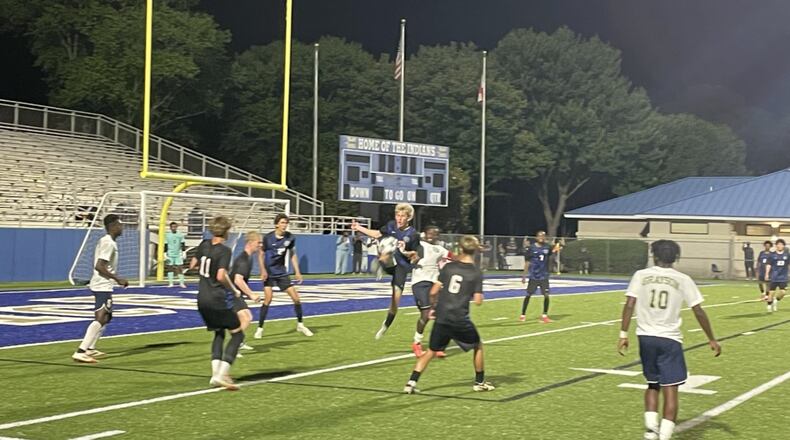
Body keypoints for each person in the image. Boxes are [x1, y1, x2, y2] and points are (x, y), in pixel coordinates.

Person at [618, 240, 721, 440]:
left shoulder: (641, 275)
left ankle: (650, 430)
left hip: (645, 336)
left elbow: (630, 303)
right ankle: (664, 436)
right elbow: (698, 310)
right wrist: (711, 338)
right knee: (671, 389)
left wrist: (623, 334)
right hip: (669, 338)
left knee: (652, 383)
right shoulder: (682, 279)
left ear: (654, 255)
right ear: (676, 257)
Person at [403, 235, 495, 394]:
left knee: (431, 351)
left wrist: (433, 308)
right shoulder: (476, 272)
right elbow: (478, 300)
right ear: (475, 251)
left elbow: (433, 292)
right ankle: (479, 382)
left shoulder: (448, 268)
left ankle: (411, 383)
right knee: (478, 345)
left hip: (442, 317)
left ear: (460, 248)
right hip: (459, 318)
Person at [189, 216, 247, 390]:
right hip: (216, 298)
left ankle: (215, 374)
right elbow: (221, 276)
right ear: (226, 231)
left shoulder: (204, 244)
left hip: (202, 298)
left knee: (219, 333)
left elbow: (193, 264)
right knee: (238, 335)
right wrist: (234, 289)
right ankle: (223, 374)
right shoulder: (225, 251)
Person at [352, 203, 420, 339]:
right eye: (397, 215)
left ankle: (386, 325)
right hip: (388, 262)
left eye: (402, 216)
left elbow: (416, 256)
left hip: (401, 268)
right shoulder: (390, 226)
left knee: (395, 301)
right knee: (387, 245)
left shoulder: (413, 234)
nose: (399, 219)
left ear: (408, 218)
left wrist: (407, 253)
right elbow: (377, 234)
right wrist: (359, 227)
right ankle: (380, 263)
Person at [72, 214, 129, 363]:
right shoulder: (108, 243)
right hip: (101, 284)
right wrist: (118, 279)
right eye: (119, 225)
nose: (121, 228)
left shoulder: (107, 241)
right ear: (112, 226)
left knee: (107, 317)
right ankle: (81, 350)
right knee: (101, 317)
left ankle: (90, 348)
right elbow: (99, 266)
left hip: (103, 283)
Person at [254, 214, 313, 338]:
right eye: (282, 223)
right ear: (276, 224)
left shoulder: (290, 237)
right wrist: (263, 270)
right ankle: (260, 328)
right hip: (269, 273)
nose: (284, 225)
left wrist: (297, 271)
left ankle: (300, 324)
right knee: (268, 299)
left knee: (296, 298)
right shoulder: (268, 238)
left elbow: (292, 254)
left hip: (281, 272)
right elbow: (260, 254)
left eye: (286, 223)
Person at [410, 225, 452, 357]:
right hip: (420, 282)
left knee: (443, 314)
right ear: (425, 233)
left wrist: (469, 255)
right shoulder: (419, 244)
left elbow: (453, 256)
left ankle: (438, 345)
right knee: (426, 313)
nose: (431, 235)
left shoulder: (440, 249)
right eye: (429, 232)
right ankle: (417, 342)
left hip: (435, 283)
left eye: (435, 233)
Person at [230, 232, 263, 355]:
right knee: (246, 317)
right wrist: (251, 294)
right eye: (258, 242)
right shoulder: (243, 260)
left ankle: (238, 342)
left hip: (234, 293)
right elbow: (238, 279)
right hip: (230, 293)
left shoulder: (247, 258)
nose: (260, 245)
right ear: (250, 243)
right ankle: (234, 345)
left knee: (242, 318)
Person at [520, 231, 559, 323]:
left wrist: (557, 249)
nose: (542, 237)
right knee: (528, 295)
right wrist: (524, 275)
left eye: (543, 236)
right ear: (536, 237)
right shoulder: (531, 248)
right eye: (540, 236)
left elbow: (552, 252)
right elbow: (527, 262)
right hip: (534, 275)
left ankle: (544, 315)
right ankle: (523, 314)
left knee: (546, 295)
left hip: (544, 275)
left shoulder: (547, 247)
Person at [765, 238, 789, 312]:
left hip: (783, 277)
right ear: (776, 246)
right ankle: (769, 305)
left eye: (781, 244)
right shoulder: (772, 255)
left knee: (783, 292)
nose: (779, 246)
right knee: (771, 292)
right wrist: (767, 274)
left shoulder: (787, 255)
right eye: (778, 244)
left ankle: (776, 300)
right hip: (774, 276)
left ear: (783, 246)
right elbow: (768, 265)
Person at [165, 221, 187, 288]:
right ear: (170, 228)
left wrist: (183, 252)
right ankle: (171, 283)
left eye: (175, 227)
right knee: (170, 268)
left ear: (177, 227)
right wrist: (165, 253)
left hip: (178, 254)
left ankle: (181, 283)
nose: (174, 228)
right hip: (170, 254)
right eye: (172, 227)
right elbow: (165, 244)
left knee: (180, 268)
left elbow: (183, 243)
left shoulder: (180, 234)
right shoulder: (167, 235)